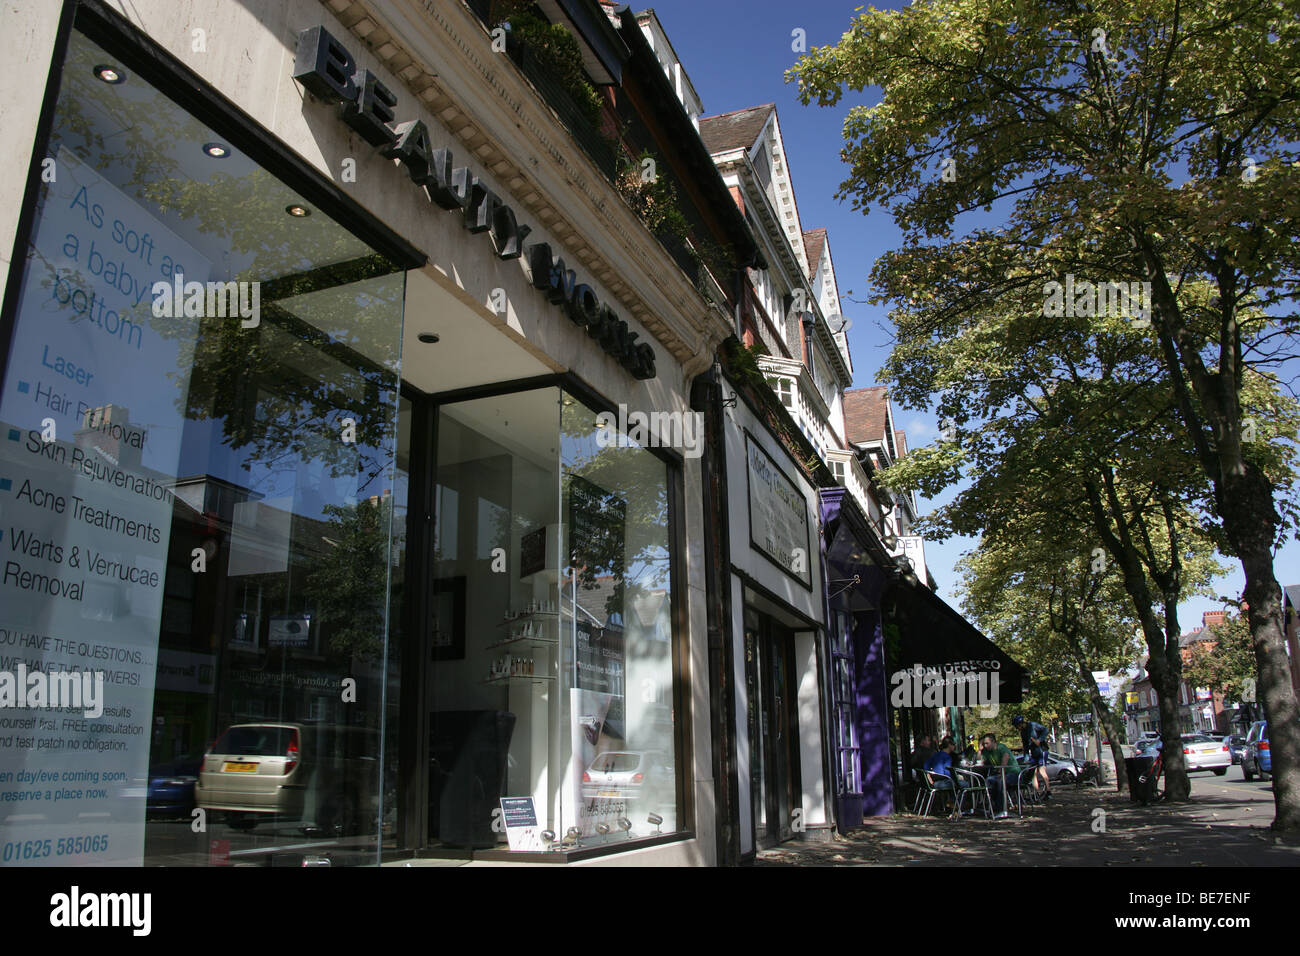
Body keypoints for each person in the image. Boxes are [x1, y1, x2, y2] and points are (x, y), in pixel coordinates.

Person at [1012, 715, 1051, 801]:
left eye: (1017, 726)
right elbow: (1025, 746)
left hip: (1042, 750)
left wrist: (1039, 740)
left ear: (1021, 723)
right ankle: (1036, 793)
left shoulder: (1033, 725)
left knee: (1042, 770)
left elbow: (1045, 730)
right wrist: (1026, 759)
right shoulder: (1023, 733)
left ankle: (1048, 791)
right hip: (1034, 753)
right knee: (1033, 773)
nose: (1017, 728)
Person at [979, 733, 1017, 818]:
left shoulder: (1001, 747)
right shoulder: (986, 752)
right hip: (1000, 775)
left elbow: (1006, 756)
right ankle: (993, 805)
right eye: (984, 744)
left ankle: (1002, 808)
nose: (985, 746)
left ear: (993, 742)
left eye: (987, 743)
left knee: (1000, 781)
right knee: (989, 780)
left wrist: (1001, 771)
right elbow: (980, 761)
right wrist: (979, 750)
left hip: (1012, 773)